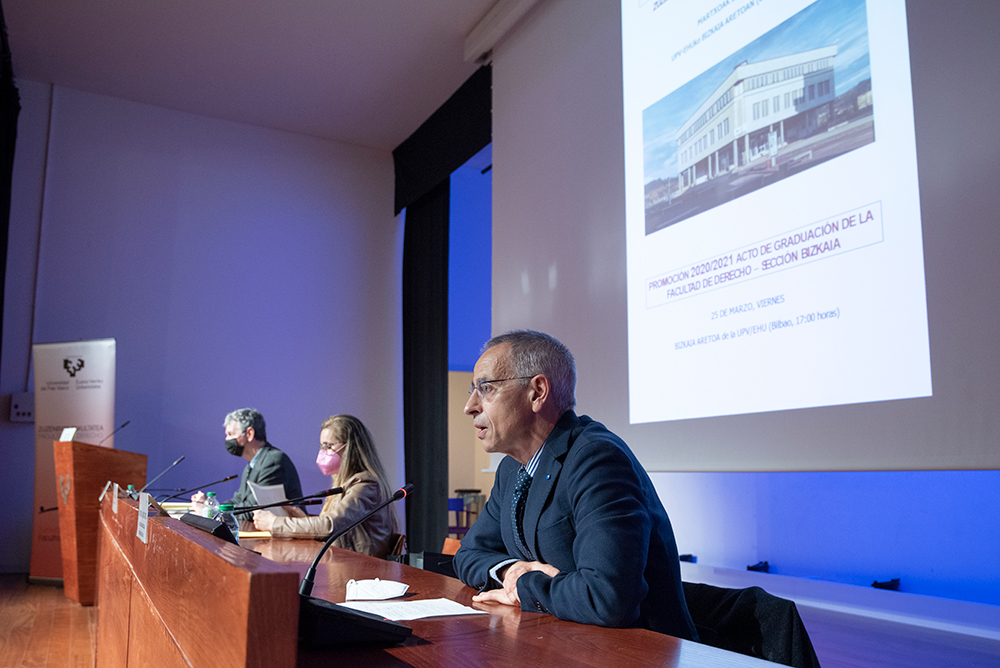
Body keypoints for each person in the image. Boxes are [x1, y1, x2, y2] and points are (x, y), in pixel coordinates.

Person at [452, 330, 698, 640]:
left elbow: (607, 598)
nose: (470, 406)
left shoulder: (597, 459)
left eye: (485, 388)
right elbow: (468, 554)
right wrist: (510, 570)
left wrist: (523, 586)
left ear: (537, 392)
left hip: (640, 649)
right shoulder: (511, 469)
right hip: (559, 640)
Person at [251, 415, 400, 559]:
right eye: (321, 446)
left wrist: (275, 523)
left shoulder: (366, 484)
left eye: (328, 446)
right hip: (343, 561)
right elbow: (334, 526)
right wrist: (302, 518)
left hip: (362, 568)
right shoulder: (345, 481)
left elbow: (331, 525)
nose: (322, 452)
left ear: (350, 448)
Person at [191, 408, 303, 523]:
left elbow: (253, 510)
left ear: (249, 434)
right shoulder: (252, 463)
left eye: (230, 434)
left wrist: (211, 511)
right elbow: (238, 500)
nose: (227, 439)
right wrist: (211, 506)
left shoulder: (273, 461)